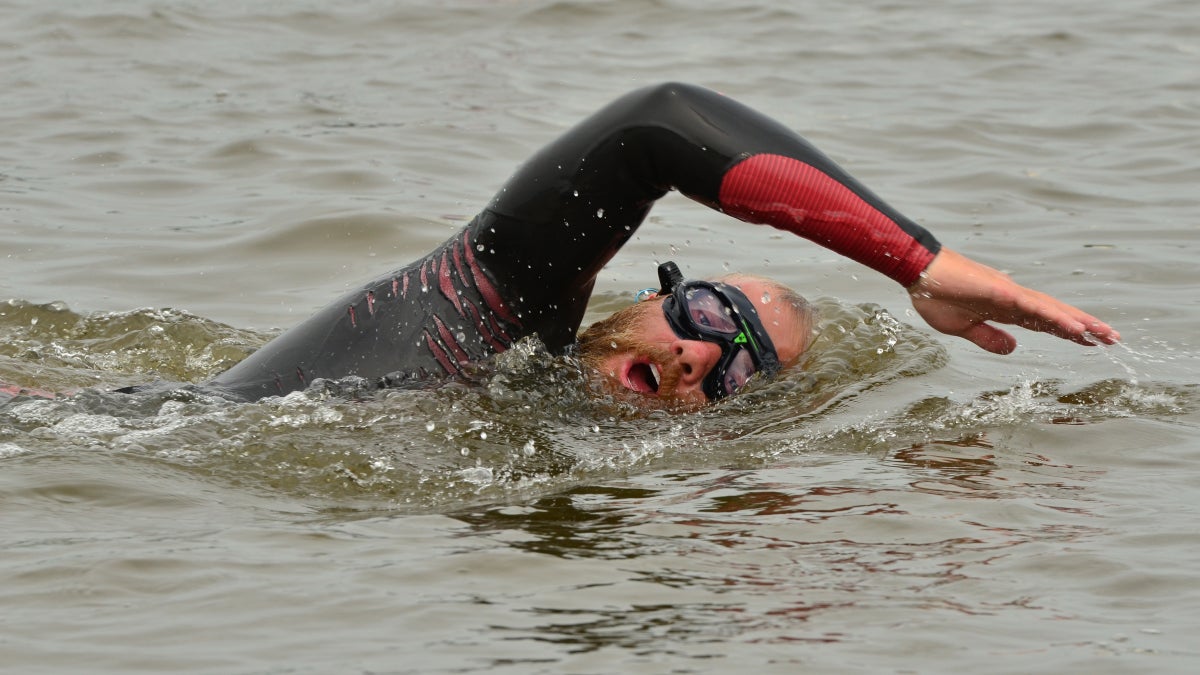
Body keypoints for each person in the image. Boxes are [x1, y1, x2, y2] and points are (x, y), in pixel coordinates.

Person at [132, 82, 1117, 404]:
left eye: (737, 369)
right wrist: (920, 265)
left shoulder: (548, 434)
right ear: (647, 298)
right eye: (702, 314)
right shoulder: (495, 300)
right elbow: (659, 122)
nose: (698, 353)